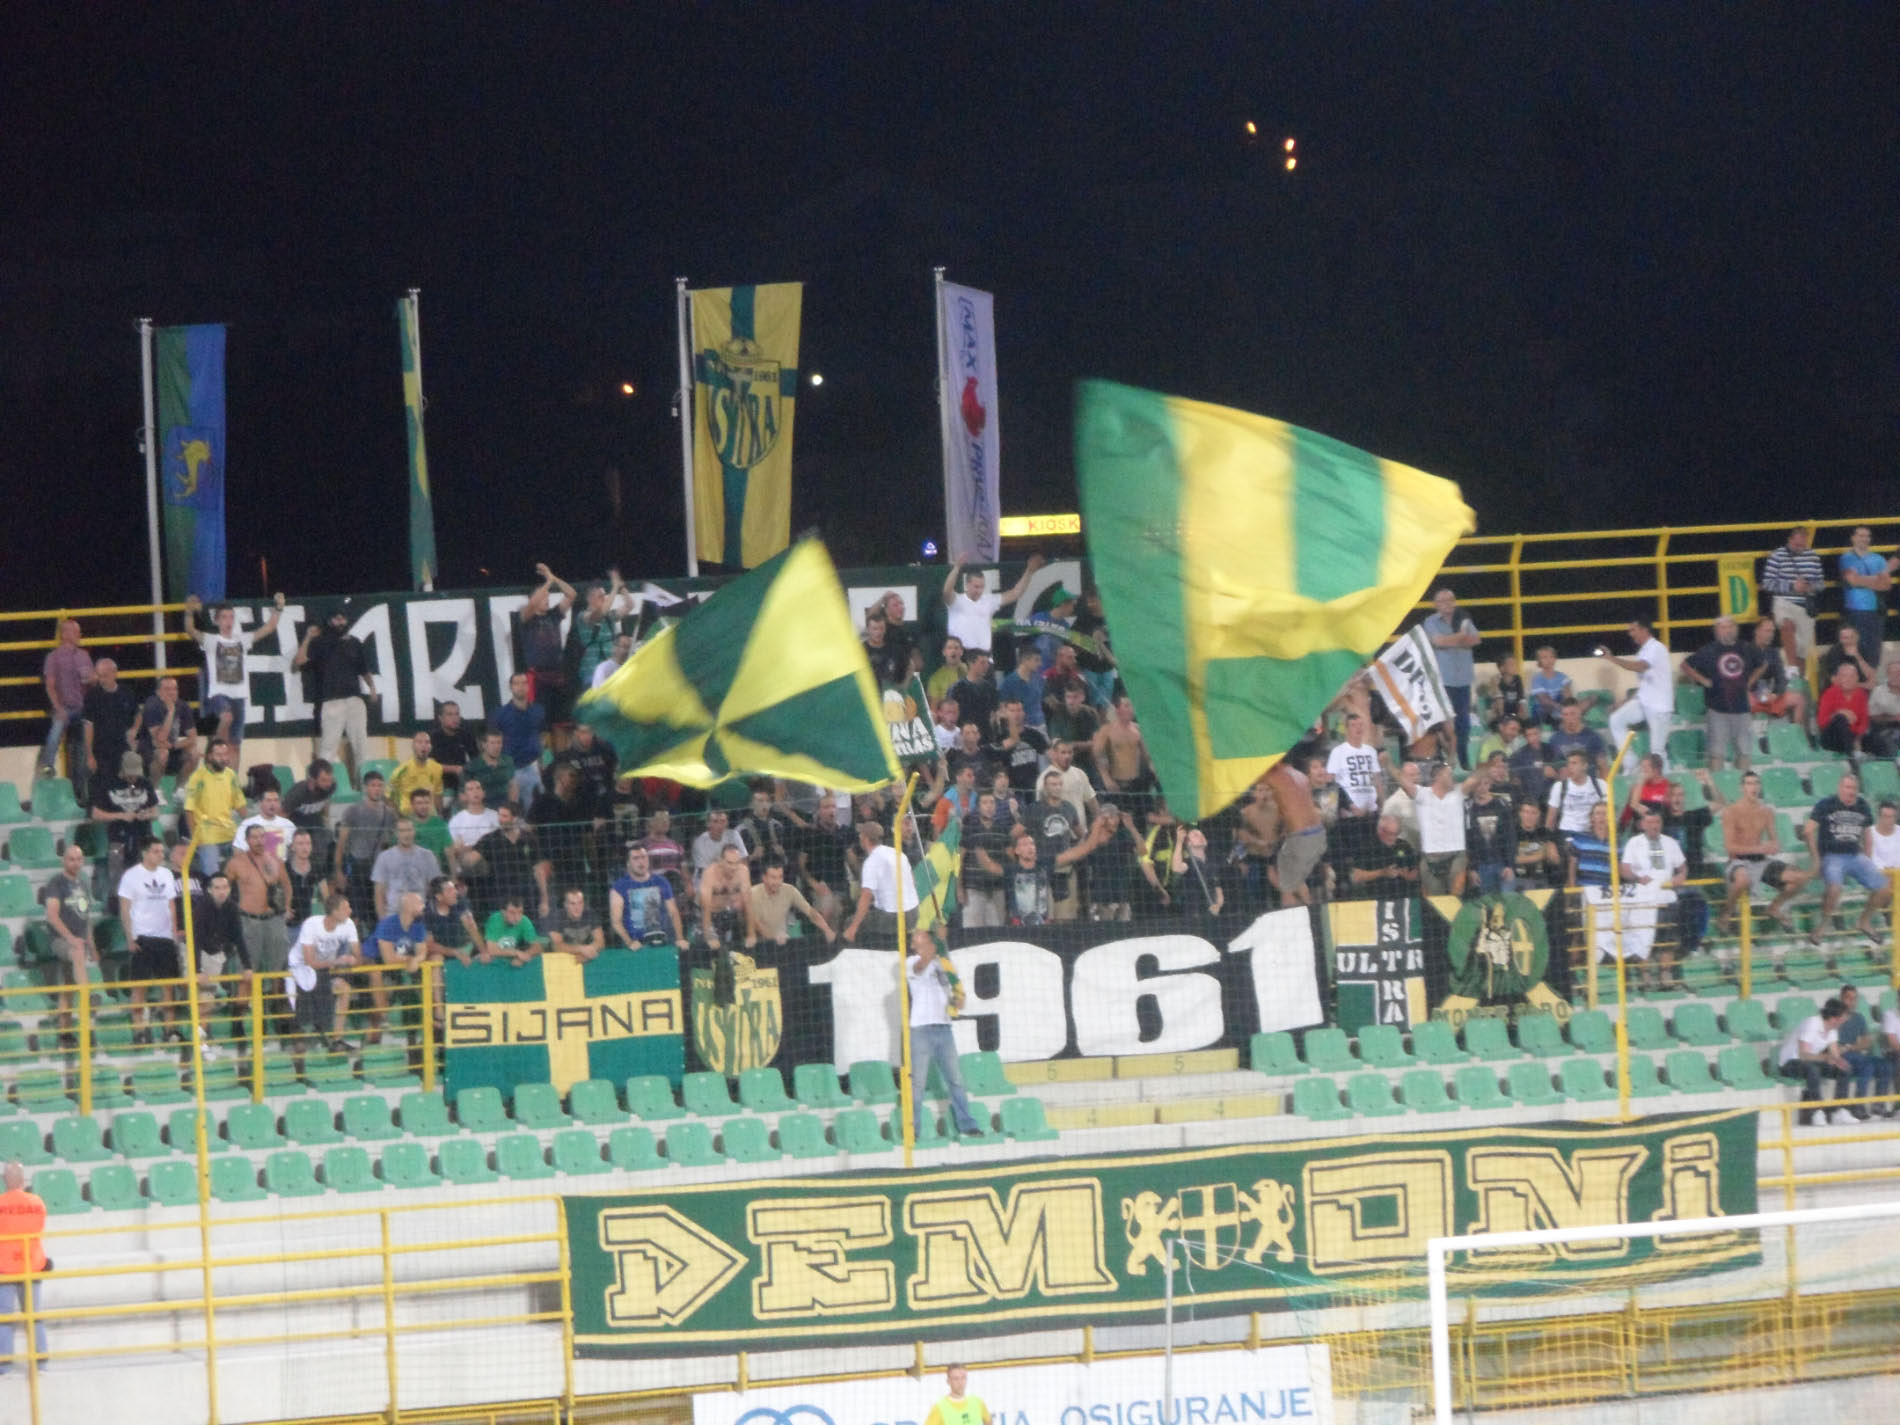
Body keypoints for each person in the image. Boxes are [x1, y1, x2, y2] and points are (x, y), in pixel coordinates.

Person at [184, 591, 286, 757]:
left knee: (235, 745)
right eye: (224, 617)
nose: (228, 621)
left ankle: (229, 771)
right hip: (219, 693)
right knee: (226, 717)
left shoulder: (242, 640)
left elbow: (269, 628)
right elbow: (190, 629)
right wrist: (189, 612)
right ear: (217, 620)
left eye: (231, 617)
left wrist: (279, 608)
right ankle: (214, 749)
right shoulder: (211, 640)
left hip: (239, 695)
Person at [905, 927, 984, 1137]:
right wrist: (939, 948)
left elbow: (958, 997)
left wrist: (958, 1000)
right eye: (918, 941)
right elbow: (920, 969)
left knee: (956, 1080)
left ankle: (967, 1124)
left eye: (923, 939)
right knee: (917, 1083)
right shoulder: (910, 963)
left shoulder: (945, 964)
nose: (919, 943)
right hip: (920, 1030)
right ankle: (914, 1129)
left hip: (944, 1027)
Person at [1804, 770, 1892, 947]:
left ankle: (1864, 921)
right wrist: (1817, 860)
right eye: (1847, 787)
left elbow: (1867, 835)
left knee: (1885, 888)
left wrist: (1868, 859)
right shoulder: (1826, 804)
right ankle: (1823, 925)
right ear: (1839, 788)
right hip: (1832, 856)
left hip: (1855, 855)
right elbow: (1808, 831)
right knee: (1835, 888)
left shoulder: (1863, 805)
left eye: (1854, 788)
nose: (1850, 791)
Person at [296, 598, 377, 782]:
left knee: (362, 748)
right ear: (330, 620)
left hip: (355, 700)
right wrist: (308, 638)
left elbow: (364, 669)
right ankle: (322, 790)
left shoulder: (354, 642)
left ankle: (365, 789)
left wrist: (372, 688)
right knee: (328, 750)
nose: (340, 622)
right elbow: (299, 661)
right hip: (332, 701)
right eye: (337, 619)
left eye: (343, 619)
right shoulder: (320, 642)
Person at [1718, 770, 1807, 934]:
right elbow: (1730, 847)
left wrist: (1774, 846)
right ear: (1742, 788)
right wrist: (1759, 848)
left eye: (1756, 783)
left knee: (1800, 877)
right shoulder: (1731, 811)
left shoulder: (1766, 811)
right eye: (1749, 783)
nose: (1753, 787)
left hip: (1761, 861)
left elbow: (1774, 840)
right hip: (1738, 860)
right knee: (1742, 879)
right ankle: (1727, 912)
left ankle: (1774, 907)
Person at [1680, 616, 1765, 771]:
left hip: (1742, 708)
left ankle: (1742, 783)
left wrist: (1750, 681)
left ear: (1736, 629)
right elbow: (1685, 665)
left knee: (1744, 751)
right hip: (1717, 708)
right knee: (1716, 753)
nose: (1728, 630)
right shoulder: (1708, 650)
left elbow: (1763, 664)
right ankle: (1717, 783)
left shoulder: (1746, 648)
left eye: (1731, 626)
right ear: (1716, 630)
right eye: (1723, 627)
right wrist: (1703, 681)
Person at [119, 837, 181, 1044]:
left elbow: (171, 905)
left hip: (165, 938)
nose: (160, 855)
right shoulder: (131, 876)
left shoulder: (167, 874)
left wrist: (173, 933)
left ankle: (170, 1029)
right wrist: (130, 937)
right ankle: (139, 1031)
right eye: (156, 851)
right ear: (145, 853)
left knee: (168, 987)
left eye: (162, 851)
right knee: (139, 987)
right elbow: (125, 908)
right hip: (142, 937)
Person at [1621, 805, 1691, 987]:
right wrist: (1637, 878)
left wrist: (1680, 877)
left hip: (1667, 898)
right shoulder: (1634, 843)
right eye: (1650, 822)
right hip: (1643, 899)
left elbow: (1683, 868)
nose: (1654, 825)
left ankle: (1665, 975)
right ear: (1642, 824)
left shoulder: (1670, 842)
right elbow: (1624, 870)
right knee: (1643, 937)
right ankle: (1645, 975)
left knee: (1668, 938)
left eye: (1657, 822)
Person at [39, 843, 99, 1047]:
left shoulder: (83, 884)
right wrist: (71, 939)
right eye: (71, 859)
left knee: (68, 985)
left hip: (78, 941)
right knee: (77, 952)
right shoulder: (56, 882)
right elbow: (52, 915)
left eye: (78, 859)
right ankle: (86, 996)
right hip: (60, 941)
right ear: (64, 861)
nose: (75, 863)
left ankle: (65, 1033)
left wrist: (93, 946)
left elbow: (86, 918)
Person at [289, 891, 362, 1053]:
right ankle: (304, 1037)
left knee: (345, 989)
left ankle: (337, 1039)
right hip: (300, 969)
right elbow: (309, 961)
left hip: (326, 969)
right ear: (334, 912)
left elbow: (358, 956)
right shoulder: (311, 925)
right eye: (346, 908)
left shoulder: (349, 924)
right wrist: (337, 962)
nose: (350, 911)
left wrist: (351, 959)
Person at [225, 821, 292, 987]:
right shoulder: (236, 863)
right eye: (254, 837)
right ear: (247, 840)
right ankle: (243, 1002)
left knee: (278, 967)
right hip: (248, 920)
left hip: (273, 919)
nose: (259, 841)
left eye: (262, 837)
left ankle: (276, 999)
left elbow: (287, 885)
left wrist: (287, 907)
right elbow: (223, 887)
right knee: (247, 969)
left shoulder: (276, 860)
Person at [1603, 616, 1674, 771]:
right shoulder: (1644, 651)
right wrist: (1626, 701)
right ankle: (1630, 763)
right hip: (1644, 702)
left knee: (1657, 752)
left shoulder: (1657, 648)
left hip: (1659, 706)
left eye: (1633, 630)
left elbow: (1640, 667)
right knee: (1616, 720)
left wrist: (1612, 658)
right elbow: (1645, 686)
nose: (1630, 634)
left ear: (1644, 630)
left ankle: (1668, 780)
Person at [940, 552, 1045, 656]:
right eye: (976, 587)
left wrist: (1029, 571)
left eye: (982, 587)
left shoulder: (989, 600)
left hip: (984, 656)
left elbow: (1015, 594)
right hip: (962, 655)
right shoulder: (957, 600)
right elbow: (947, 591)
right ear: (967, 585)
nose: (979, 590)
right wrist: (957, 568)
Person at [1420, 588, 1480, 766]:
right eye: (1442, 601)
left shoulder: (1463, 618)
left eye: (1450, 600)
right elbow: (1437, 641)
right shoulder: (1431, 621)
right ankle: (1444, 761)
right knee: (1444, 724)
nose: (1447, 604)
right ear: (1436, 605)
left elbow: (1475, 640)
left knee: (1463, 724)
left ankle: (1463, 761)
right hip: (1443, 681)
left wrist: (1449, 641)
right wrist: (1461, 637)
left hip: (1463, 680)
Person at [0, 1161, 49, 1374]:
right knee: (34, 1316)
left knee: (4, 1318)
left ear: (5, 1180)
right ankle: (41, 1362)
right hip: (31, 1266)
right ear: (23, 1179)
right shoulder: (37, 1203)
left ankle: (4, 1365)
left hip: (5, 1267)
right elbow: (39, 1227)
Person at [1778, 996, 1852, 1126]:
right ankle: (1817, 1111)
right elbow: (1803, 1055)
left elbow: (1835, 1054)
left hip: (1810, 1062)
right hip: (1790, 1063)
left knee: (1844, 1069)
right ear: (1834, 1018)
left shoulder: (1832, 1030)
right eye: (1842, 1018)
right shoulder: (1812, 1023)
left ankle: (1839, 1110)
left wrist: (1838, 1061)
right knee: (1813, 1070)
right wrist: (1826, 1058)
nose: (1844, 1021)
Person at [90, 749, 161, 879]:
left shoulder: (145, 783)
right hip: (118, 839)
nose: (133, 778)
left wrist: (146, 815)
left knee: (146, 877)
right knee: (118, 879)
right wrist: (121, 816)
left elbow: (155, 812)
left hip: (143, 839)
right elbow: (96, 814)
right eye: (130, 775)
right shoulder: (108, 784)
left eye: (136, 775)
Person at [843, 822, 917, 947]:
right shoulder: (897, 853)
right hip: (914, 913)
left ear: (864, 838)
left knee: (850, 922)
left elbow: (866, 896)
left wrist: (853, 927)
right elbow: (913, 881)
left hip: (894, 917)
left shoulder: (871, 861)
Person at [365, 890, 428, 1038]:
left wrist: (416, 960)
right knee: (382, 991)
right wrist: (410, 959)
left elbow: (422, 953)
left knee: (408, 995)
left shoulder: (418, 926)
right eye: (420, 903)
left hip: (396, 969)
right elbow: (388, 958)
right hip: (372, 962)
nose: (424, 906)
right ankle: (379, 1022)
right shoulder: (388, 924)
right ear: (409, 907)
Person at [1761, 525, 1826, 667]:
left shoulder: (1813, 557)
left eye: (1803, 545)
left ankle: (1797, 677)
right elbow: (1767, 584)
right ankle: (1791, 668)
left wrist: (1810, 587)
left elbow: (1821, 584)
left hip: (1806, 605)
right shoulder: (1777, 555)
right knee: (1787, 626)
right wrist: (1792, 586)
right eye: (1797, 545)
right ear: (1790, 540)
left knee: (1802, 653)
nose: (1800, 548)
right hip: (1784, 601)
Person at [333, 769, 396, 915]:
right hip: (358, 867)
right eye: (373, 785)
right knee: (357, 911)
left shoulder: (389, 813)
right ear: (366, 788)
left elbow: (392, 841)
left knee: (378, 910)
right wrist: (339, 871)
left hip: (379, 867)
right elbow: (341, 844)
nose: (377, 789)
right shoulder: (353, 811)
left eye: (380, 785)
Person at [38, 616, 93, 785]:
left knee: (93, 730)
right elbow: (50, 686)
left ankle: (92, 766)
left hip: (83, 706)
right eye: (75, 631)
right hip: (65, 707)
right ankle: (48, 766)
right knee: (55, 731)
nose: (79, 635)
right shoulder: (53, 657)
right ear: (64, 634)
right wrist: (58, 707)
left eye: (78, 632)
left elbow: (92, 681)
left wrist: (92, 679)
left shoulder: (84, 655)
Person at [1837, 525, 1896, 669]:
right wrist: (1876, 579)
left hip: (1876, 611)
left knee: (1874, 653)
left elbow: (1887, 585)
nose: (1864, 539)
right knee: (1854, 651)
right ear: (1853, 538)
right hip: (1854, 611)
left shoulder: (1878, 558)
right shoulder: (1846, 558)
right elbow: (1852, 580)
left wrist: (1861, 580)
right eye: (1861, 535)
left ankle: (1870, 681)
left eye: (1867, 536)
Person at [80, 658, 140, 798]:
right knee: (102, 787)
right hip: (101, 749)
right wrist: (90, 755)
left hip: (123, 747)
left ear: (114, 673)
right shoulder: (92, 696)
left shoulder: (126, 692)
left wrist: (135, 730)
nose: (102, 680)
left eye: (105, 676)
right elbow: (88, 726)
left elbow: (138, 714)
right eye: (99, 676)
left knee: (125, 784)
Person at [1834, 984, 1893, 1120]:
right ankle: (1858, 1105)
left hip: (1854, 1053)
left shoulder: (1859, 1017)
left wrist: (1851, 1047)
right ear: (1841, 998)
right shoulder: (1835, 1018)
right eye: (1848, 998)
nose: (1852, 1002)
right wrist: (1854, 1047)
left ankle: (1878, 1105)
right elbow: (1834, 1045)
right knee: (1867, 1065)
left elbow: (1866, 1042)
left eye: (1854, 999)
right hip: (1841, 1055)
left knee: (1885, 1065)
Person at [746, 857, 835, 944]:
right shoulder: (753, 894)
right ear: (764, 878)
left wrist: (827, 929)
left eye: (780, 877)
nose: (778, 882)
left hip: (783, 940)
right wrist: (774, 938)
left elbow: (811, 912)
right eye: (773, 877)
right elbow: (756, 924)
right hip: (760, 943)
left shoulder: (789, 890)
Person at [610, 844, 685, 947]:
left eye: (644, 857)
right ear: (628, 863)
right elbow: (616, 921)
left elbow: (673, 913)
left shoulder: (661, 882)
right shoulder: (619, 887)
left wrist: (680, 939)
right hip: (635, 943)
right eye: (636, 858)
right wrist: (629, 942)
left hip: (662, 939)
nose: (641, 862)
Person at [493, 671, 549, 805]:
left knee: (536, 808)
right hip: (510, 769)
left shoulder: (538, 710)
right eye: (516, 683)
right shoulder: (500, 714)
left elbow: (543, 735)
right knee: (512, 809)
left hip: (533, 766)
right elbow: (492, 742)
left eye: (524, 683)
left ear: (528, 686)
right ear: (510, 687)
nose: (520, 687)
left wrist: (541, 760)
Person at [370, 817, 441, 920]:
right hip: (393, 915)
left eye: (409, 830)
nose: (406, 835)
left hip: (420, 915)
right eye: (402, 831)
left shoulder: (427, 856)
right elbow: (379, 892)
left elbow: (436, 887)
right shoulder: (384, 857)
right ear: (396, 833)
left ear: (414, 831)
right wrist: (383, 920)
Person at [136, 673, 199, 786]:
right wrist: (170, 712)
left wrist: (174, 745)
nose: (172, 692)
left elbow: (193, 738)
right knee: (162, 754)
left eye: (174, 689)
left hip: (171, 747)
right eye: (167, 689)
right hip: (149, 751)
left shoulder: (183, 706)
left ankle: (179, 789)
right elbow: (160, 739)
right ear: (158, 692)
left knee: (194, 754)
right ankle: (154, 789)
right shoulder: (152, 706)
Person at [1416, 760, 1467, 897]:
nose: (1453, 778)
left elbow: (1475, 779)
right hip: (1430, 858)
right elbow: (1403, 783)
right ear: (1438, 776)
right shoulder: (1421, 794)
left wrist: (1486, 765)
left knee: (1456, 898)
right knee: (1435, 903)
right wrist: (1389, 765)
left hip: (1455, 855)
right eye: (1449, 774)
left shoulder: (1458, 793)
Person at [1464, 768, 1518, 895]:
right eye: (1478, 784)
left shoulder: (1501, 804)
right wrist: (1471, 869)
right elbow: (1467, 841)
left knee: (1507, 901)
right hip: (1480, 866)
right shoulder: (1467, 807)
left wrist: (1509, 865)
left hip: (1501, 863)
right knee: (1486, 903)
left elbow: (1510, 837)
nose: (1482, 788)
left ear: (1490, 784)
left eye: (1486, 783)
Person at [1747, 615, 1808, 727]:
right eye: (1767, 631)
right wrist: (1759, 692)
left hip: (1770, 694)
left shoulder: (1773, 652)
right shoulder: (1746, 651)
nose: (1770, 635)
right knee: (1746, 700)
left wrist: (1775, 694)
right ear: (1757, 631)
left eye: (1772, 631)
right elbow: (1745, 681)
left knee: (1799, 699)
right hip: (1753, 694)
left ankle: (1796, 733)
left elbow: (1781, 677)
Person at [282, 758, 338, 867]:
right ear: (312, 780)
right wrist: (287, 836)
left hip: (316, 825)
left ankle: (319, 873)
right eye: (324, 780)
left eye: (330, 780)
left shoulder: (331, 786)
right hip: (297, 827)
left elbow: (326, 803)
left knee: (327, 841)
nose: (328, 784)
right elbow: (283, 815)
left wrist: (326, 821)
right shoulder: (298, 792)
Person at [1092, 694, 1152, 794]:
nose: (1131, 709)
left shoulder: (1139, 729)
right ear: (1117, 709)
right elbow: (1098, 755)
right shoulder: (1106, 730)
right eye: (1127, 706)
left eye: (1132, 705)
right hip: (1115, 782)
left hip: (1137, 782)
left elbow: (1147, 755)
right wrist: (1106, 778)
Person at [1348, 815, 1419, 900]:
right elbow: (1356, 876)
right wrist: (1382, 872)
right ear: (1380, 831)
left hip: (1405, 897)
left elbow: (1415, 874)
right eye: (1390, 833)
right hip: (1377, 898)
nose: (1393, 837)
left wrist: (1403, 874)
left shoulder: (1404, 845)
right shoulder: (1367, 846)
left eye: (1396, 834)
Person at [1545, 750, 1606, 840]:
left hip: (1590, 835)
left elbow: (1608, 815)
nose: (1570, 767)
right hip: (1567, 834)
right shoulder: (1559, 787)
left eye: (1574, 763)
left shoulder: (1600, 785)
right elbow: (1551, 817)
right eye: (1569, 764)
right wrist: (1548, 840)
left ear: (1584, 766)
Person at [1816, 661, 1871, 757]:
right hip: (1833, 738)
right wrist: (1839, 713)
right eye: (1844, 676)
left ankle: (1893, 761)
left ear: (1857, 679)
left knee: (1877, 737)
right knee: (1840, 718)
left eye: (1851, 676)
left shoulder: (1861, 694)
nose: (1848, 679)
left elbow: (1864, 722)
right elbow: (1821, 722)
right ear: (1838, 678)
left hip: (1854, 738)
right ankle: (1852, 757)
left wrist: (1857, 739)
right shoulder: (1829, 694)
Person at [428, 700, 480, 794]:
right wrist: (454, 769)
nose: (455, 718)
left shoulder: (466, 735)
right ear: (441, 718)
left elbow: (476, 760)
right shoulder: (433, 738)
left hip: (464, 784)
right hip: (440, 785)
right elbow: (428, 765)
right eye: (450, 714)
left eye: (457, 714)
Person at [234, 785, 296, 860]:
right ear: (260, 803)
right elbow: (238, 851)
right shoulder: (247, 824)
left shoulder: (288, 825)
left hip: (281, 865)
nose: (272, 804)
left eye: (276, 800)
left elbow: (295, 850)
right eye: (268, 800)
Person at [1510, 797, 1560, 888]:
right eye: (1526, 812)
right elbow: (1513, 859)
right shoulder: (1512, 832)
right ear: (1520, 813)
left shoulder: (1545, 833)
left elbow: (1556, 860)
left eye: (1533, 813)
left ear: (1539, 815)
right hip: (1518, 880)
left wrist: (1551, 852)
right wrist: (1541, 855)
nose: (1529, 816)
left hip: (1540, 880)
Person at [481, 893, 543, 967]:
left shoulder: (525, 921)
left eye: (520, 912)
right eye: (512, 912)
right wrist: (517, 953)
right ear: (503, 912)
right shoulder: (495, 920)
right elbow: (492, 950)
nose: (517, 917)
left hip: (510, 959)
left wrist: (523, 957)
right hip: (490, 958)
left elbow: (537, 947)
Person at [547, 886, 604, 961]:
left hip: (585, 957)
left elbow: (600, 941)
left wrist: (587, 953)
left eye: (580, 903)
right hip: (560, 960)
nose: (577, 907)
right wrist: (581, 949)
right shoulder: (556, 917)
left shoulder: (590, 914)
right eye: (572, 904)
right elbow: (556, 946)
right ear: (565, 905)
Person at [925, 1363, 992, 1425]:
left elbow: (988, 1422)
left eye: (963, 1378)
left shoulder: (977, 1402)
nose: (960, 1382)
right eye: (956, 1379)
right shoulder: (939, 1407)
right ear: (948, 1381)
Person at [1528, 645, 1572, 726]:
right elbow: (1543, 700)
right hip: (1544, 710)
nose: (1548, 660)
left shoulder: (1563, 677)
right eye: (1544, 657)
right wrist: (1559, 707)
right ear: (1539, 662)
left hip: (1560, 708)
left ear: (1555, 659)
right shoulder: (1537, 679)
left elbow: (1568, 697)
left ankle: (1562, 720)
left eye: (1551, 657)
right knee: (1540, 708)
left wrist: (1566, 708)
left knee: (1588, 699)